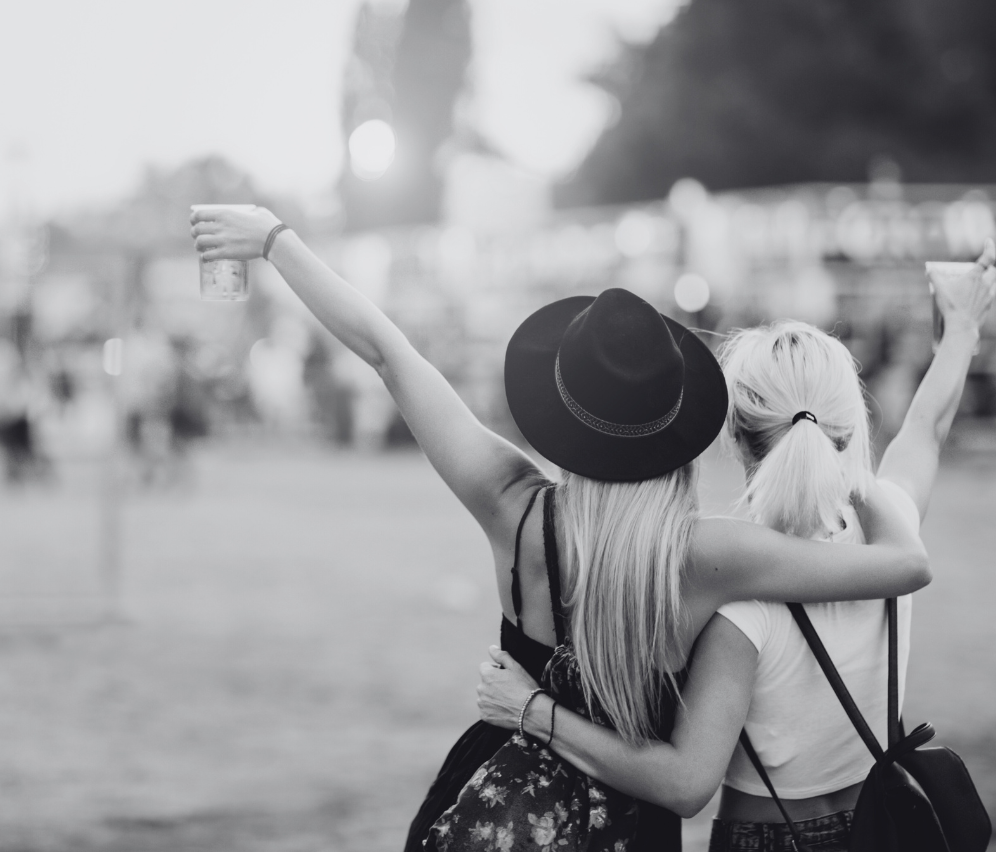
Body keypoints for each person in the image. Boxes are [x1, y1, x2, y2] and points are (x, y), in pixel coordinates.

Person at [189, 205, 930, 852]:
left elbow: (388, 352)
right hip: (631, 825)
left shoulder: (510, 504)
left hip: (495, 804)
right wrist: (839, 452)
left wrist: (276, 239)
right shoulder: (711, 555)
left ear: (561, 413)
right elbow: (905, 565)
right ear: (679, 428)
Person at [475, 247, 996, 851]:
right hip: (883, 827)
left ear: (735, 435)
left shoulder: (735, 594)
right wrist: (961, 328)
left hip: (767, 836)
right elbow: (926, 430)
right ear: (849, 424)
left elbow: (684, 781)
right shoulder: (890, 532)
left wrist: (533, 708)